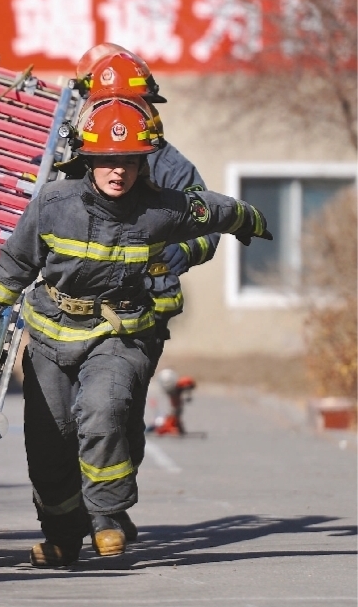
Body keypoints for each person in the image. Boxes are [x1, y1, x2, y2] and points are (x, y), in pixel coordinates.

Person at [0, 94, 272, 568]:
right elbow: (16, 263)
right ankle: (62, 537)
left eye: (128, 161)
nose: (117, 170)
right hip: (49, 335)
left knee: (104, 410)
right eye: (106, 160)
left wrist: (251, 220)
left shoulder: (162, 209)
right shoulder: (54, 202)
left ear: (143, 163)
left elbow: (214, 209)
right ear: (87, 159)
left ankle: (106, 516)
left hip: (119, 335)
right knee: (48, 442)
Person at [69, 46, 222, 540]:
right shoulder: (68, 160)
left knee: (119, 406)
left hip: (142, 310)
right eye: (103, 102)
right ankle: (82, 505)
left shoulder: (171, 166)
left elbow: (208, 223)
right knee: (69, 412)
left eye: (132, 104)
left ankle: (108, 507)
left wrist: (178, 253)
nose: (118, 115)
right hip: (67, 309)